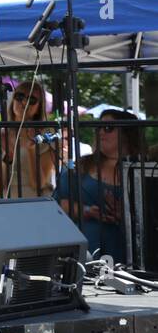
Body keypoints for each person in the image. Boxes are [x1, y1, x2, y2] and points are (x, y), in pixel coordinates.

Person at [54, 109, 141, 260]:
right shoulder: (80, 166)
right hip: (84, 254)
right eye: (98, 127)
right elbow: (57, 204)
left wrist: (128, 214)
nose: (101, 132)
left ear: (127, 134)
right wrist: (86, 210)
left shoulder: (143, 169)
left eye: (108, 128)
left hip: (129, 255)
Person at [0, 79, 57, 198]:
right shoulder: (0, 134)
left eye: (31, 100)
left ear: (39, 106)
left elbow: (38, 184)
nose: (24, 102)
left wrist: (31, 150)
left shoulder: (47, 134)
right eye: (19, 96)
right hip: (8, 203)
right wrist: (8, 156)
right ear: (12, 100)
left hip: (37, 201)